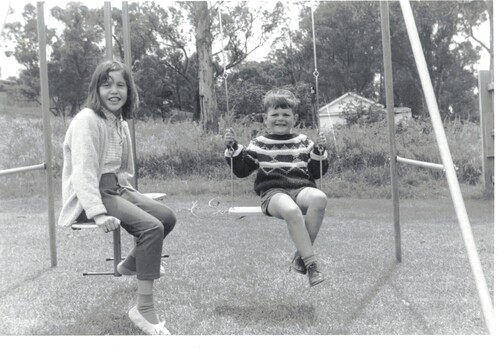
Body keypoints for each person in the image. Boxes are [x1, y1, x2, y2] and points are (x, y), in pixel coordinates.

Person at [58, 59, 176, 335]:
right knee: (151, 228)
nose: (114, 91)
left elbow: (124, 168)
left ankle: (129, 264)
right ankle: (143, 310)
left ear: (129, 90)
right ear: (95, 89)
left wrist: (131, 195)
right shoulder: (88, 119)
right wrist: (97, 212)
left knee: (165, 217)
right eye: (106, 84)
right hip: (93, 193)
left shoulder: (119, 122)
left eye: (121, 85)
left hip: (115, 188)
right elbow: (83, 171)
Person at [223, 89, 329, 287]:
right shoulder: (259, 144)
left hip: (300, 189)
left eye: (286, 115)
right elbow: (243, 170)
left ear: (294, 118)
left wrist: (318, 151)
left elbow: (316, 173)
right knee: (291, 210)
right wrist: (233, 148)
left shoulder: (304, 141)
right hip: (273, 194)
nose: (280, 119)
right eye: (275, 115)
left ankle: (300, 258)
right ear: (266, 119)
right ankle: (311, 264)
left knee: (319, 198)